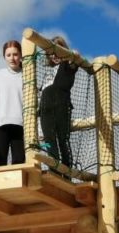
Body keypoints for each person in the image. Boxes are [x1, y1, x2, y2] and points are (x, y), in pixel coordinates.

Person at [39, 36, 79, 169]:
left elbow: (74, 65)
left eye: (58, 52)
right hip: (46, 108)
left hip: (61, 106)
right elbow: (42, 91)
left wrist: (73, 56)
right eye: (51, 54)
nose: (54, 56)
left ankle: (67, 169)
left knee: (63, 139)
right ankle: (54, 167)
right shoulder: (47, 71)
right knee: (48, 140)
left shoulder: (66, 65)